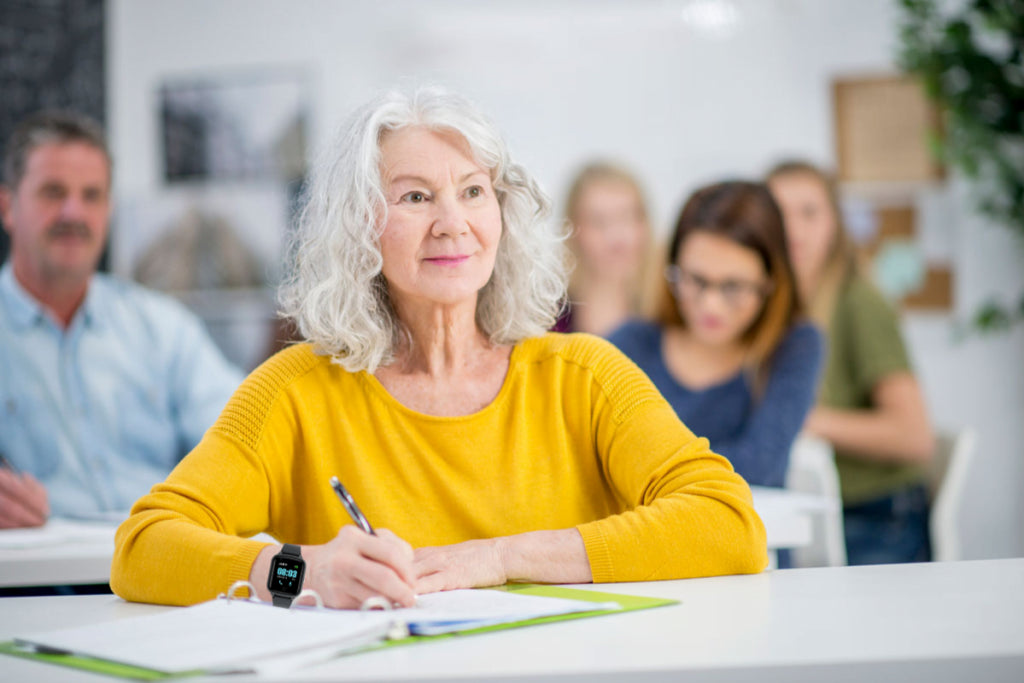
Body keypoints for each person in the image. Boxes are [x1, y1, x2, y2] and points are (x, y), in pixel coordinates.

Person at [111, 87, 768, 609]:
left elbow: (729, 524)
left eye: (473, 192)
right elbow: (142, 549)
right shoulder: (292, 390)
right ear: (360, 225)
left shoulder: (584, 375)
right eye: (416, 196)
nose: (453, 222)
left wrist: (499, 557)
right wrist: (297, 568)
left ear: (501, 216)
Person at [0, 111, 243, 528]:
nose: (72, 212)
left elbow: (245, 441)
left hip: (163, 572)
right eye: (52, 192)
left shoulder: (164, 329)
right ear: (7, 207)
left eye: (91, 195)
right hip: (30, 587)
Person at [766, 160, 935, 565]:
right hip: (805, 507)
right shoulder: (770, 307)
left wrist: (800, 417)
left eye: (809, 212)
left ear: (834, 223)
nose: (792, 229)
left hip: (875, 516)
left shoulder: (859, 302)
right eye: (777, 213)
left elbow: (914, 436)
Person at [609, 181, 823, 489]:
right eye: (696, 280)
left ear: (770, 283)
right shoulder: (630, 343)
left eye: (733, 287)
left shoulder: (794, 345)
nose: (711, 305)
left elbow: (760, 467)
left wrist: (641, 467)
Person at [554, 162, 654, 335]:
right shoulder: (549, 322)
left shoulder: (668, 316)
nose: (617, 238)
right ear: (572, 230)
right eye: (598, 222)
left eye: (628, 217)